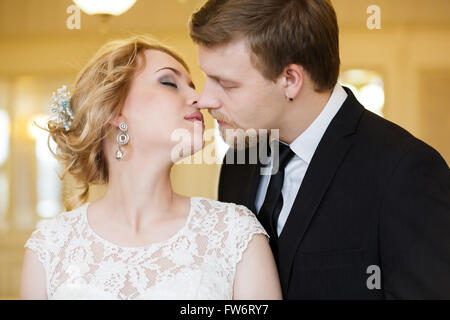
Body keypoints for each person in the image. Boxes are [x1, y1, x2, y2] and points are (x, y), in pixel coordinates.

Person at [189, 0, 450, 299]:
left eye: (226, 84)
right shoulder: (238, 162)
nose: (205, 99)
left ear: (290, 80)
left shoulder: (404, 171)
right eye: (207, 77)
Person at [20, 35, 282, 300]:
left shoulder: (234, 234)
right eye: (169, 82)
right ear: (114, 110)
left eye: (192, 85)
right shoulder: (50, 247)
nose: (199, 98)